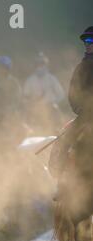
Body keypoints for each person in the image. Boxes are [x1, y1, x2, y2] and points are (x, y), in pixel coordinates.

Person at [49, 26, 93, 180]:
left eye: (90, 40)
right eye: (86, 41)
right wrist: (80, 108)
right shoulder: (81, 68)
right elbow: (73, 94)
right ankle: (61, 182)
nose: (87, 44)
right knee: (64, 139)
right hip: (85, 115)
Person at [23, 52, 65, 134]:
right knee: (32, 129)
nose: (40, 67)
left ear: (46, 65)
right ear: (35, 66)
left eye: (42, 64)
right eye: (38, 64)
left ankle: (57, 133)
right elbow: (25, 97)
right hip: (35, 109)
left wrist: (54, 102)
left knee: (55, 128)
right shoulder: (30, 80)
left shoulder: (51, 78)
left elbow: (61, 94)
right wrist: (31, 104)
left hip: (50, 108)